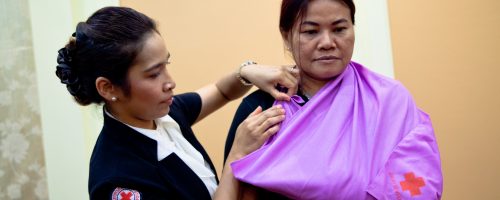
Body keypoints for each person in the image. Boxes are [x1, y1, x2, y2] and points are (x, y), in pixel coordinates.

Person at [55, 7, 299, 200]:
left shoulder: (163, 114)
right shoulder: (119, 181)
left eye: (166, 65)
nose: (170, 82)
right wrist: (238, 154)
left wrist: (248, 71)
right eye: (153, 74)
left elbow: (220, 91)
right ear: (108, 88)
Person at [224, 0, 443, 199]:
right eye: (310, 31)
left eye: (339, 29)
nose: (327, 42)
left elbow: (417, 184)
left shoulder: (390, 101)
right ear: (286, 36)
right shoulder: (260, 112)